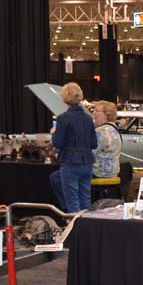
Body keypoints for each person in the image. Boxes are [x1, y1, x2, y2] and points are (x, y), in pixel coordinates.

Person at [49, 83, 97, 212]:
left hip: (70, 162)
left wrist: (54, 133)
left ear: (65, 98)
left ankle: (74, 223)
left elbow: (58, 143)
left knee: (72, 199)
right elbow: (94, 144)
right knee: (85, 198)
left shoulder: (63, 118)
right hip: (87, 162)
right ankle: (86, 222)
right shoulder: (88, 118)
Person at [91, 100, 122, 179]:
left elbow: (89, 153)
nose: (93, 113)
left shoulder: (101, 131)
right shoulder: (115, 130)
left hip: (99, 173)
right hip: (113, 172)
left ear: (106, 115)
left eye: (97, 111)